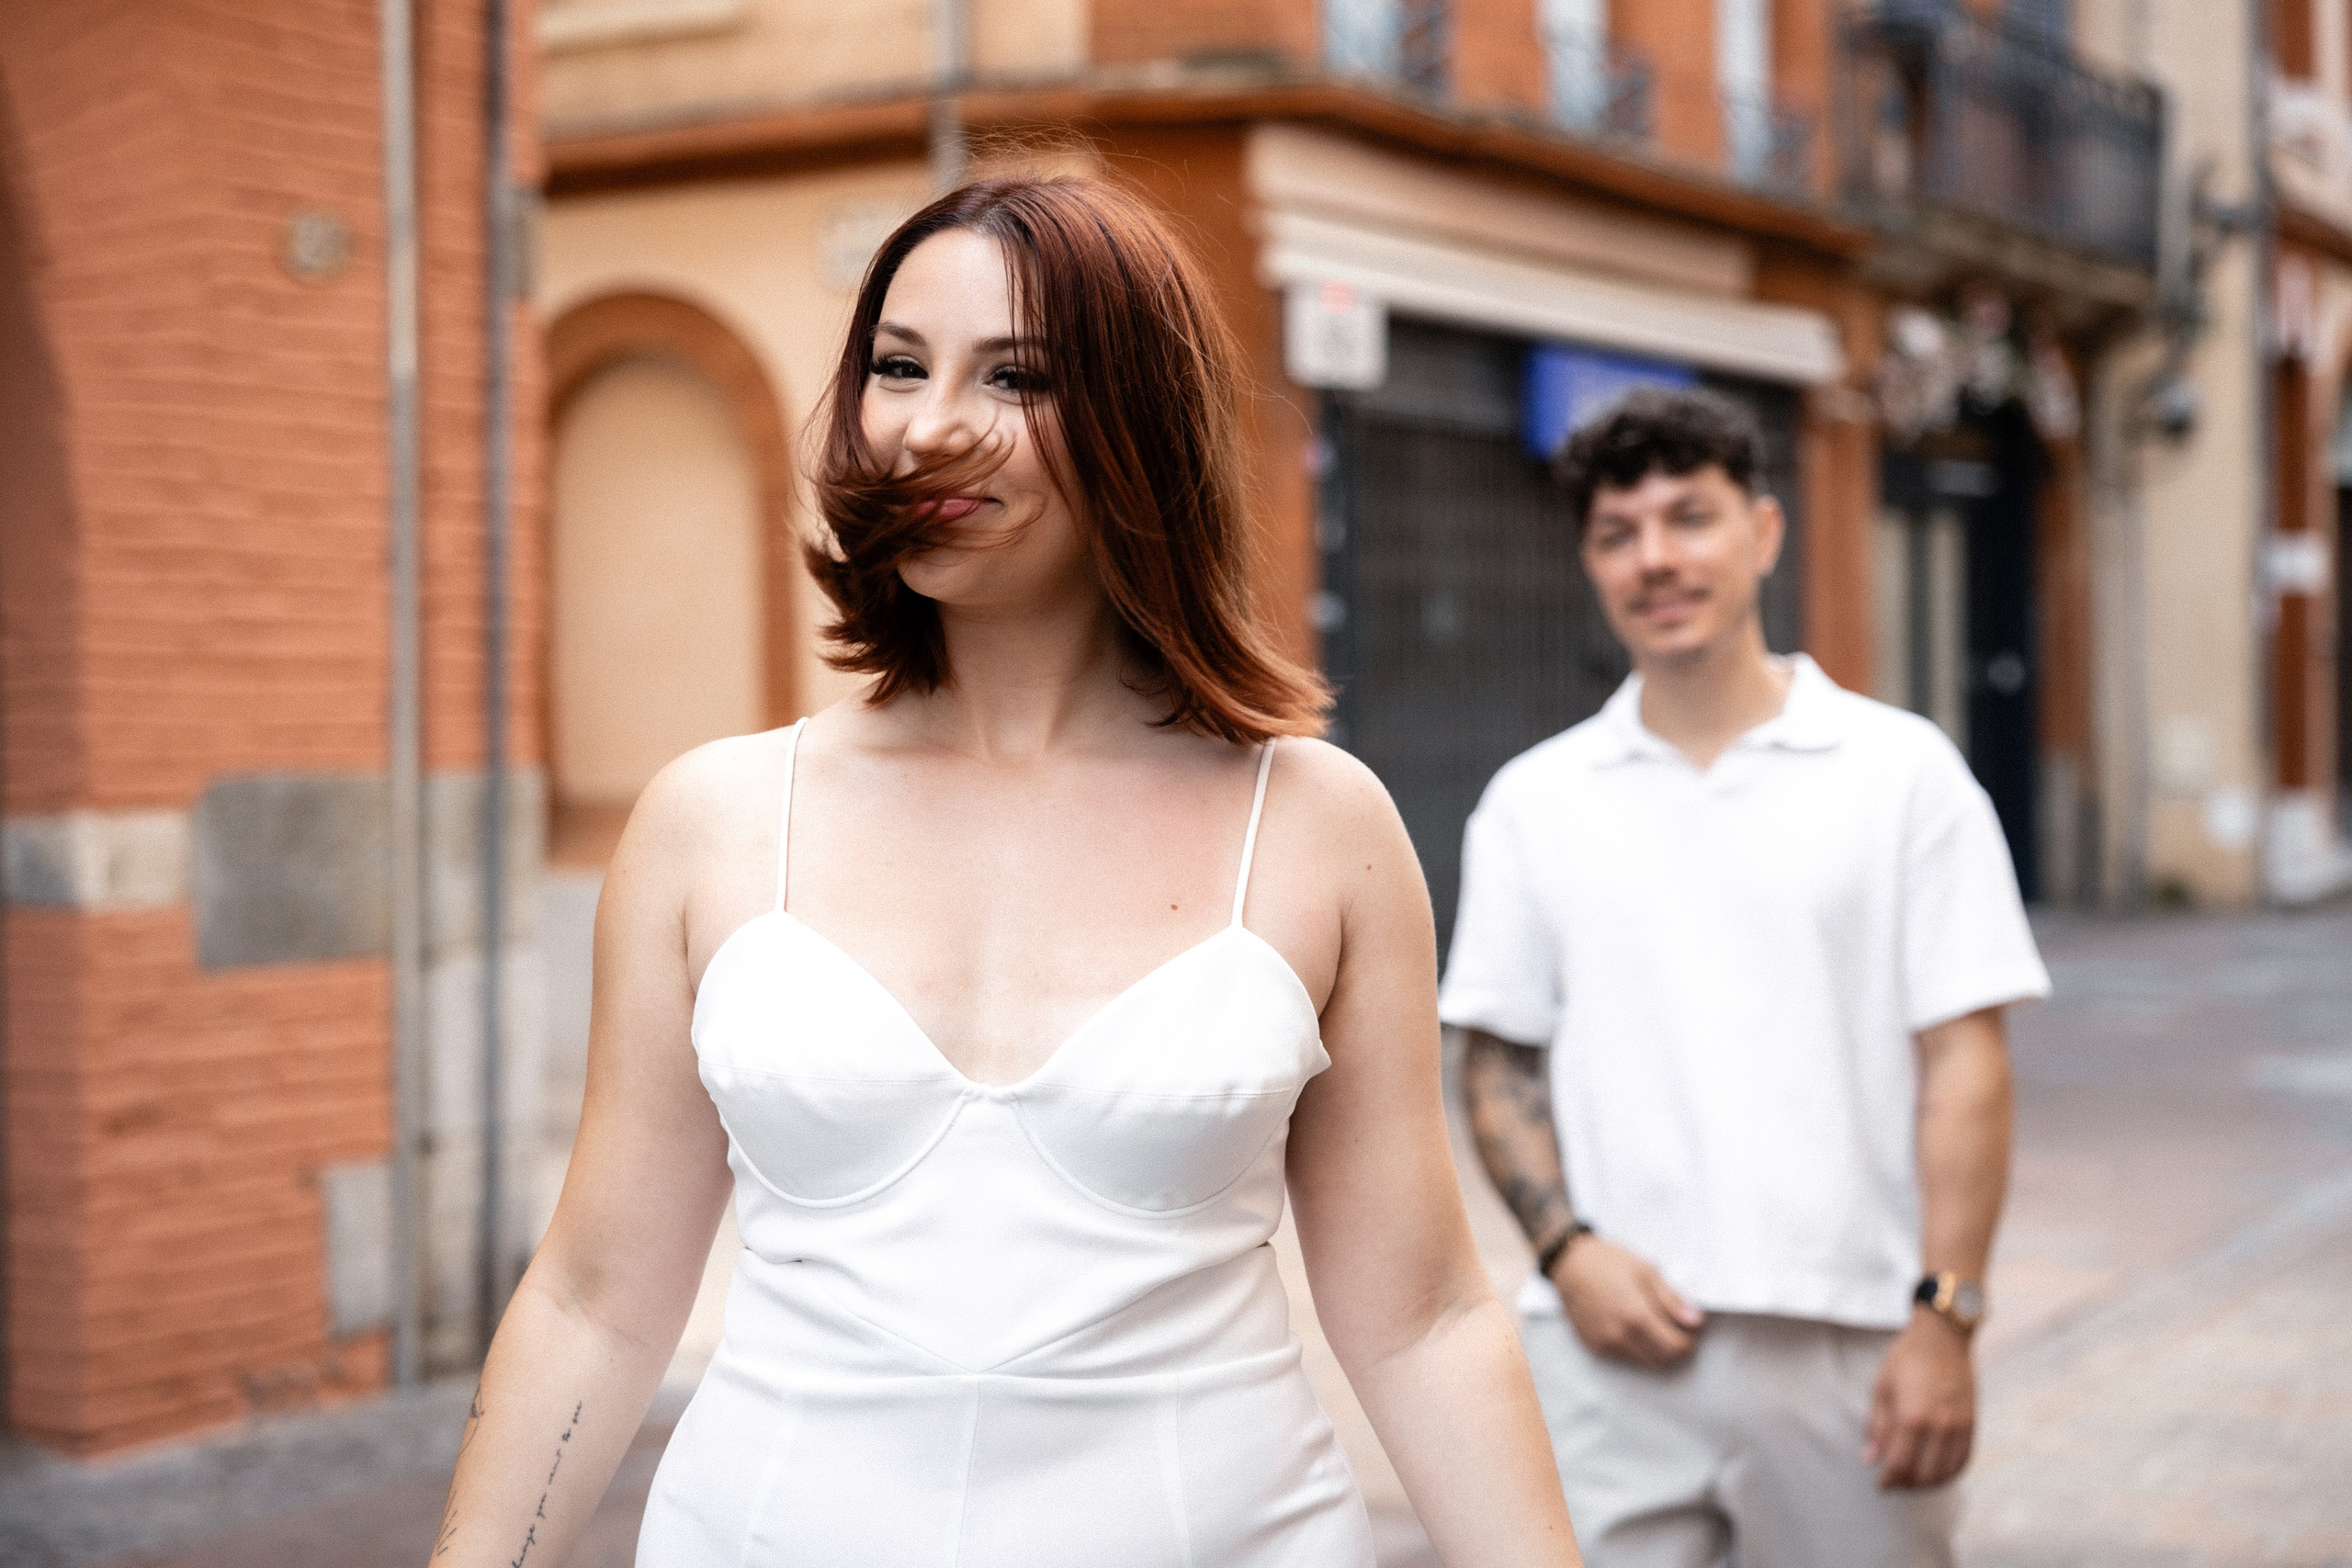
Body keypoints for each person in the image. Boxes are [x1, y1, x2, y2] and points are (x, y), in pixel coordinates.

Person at [429, 175, 1580, 1568]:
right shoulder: (713, 819)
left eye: (1016, 375)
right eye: (898, 367)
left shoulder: (1319, 823)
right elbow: (599, 1299)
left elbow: (1425, 1315)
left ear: (1141, 425)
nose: (929, 426)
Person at [1442, 389, 2049, 1566]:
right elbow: (1498, 1054)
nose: (1655, 559)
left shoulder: (1901, 775)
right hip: (1609, 1352)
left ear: (1764, 534)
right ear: (1588, 562)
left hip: (1853, 1346)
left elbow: (1964, 1066)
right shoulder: (1534, 802)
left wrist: (1948, 1317)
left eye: (1689, 518)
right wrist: (1568, 1254)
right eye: (1618, 534)